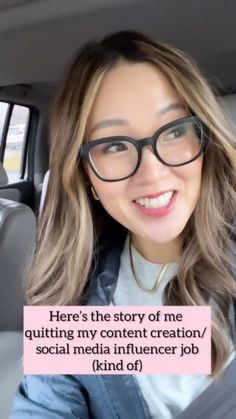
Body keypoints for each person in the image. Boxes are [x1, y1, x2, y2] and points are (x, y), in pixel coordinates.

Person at [11, 31, 236, 418]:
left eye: (175, 129)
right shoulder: (75, 297)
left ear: (206, 139)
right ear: (86, 176)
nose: (153, 171)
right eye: (114, 144)